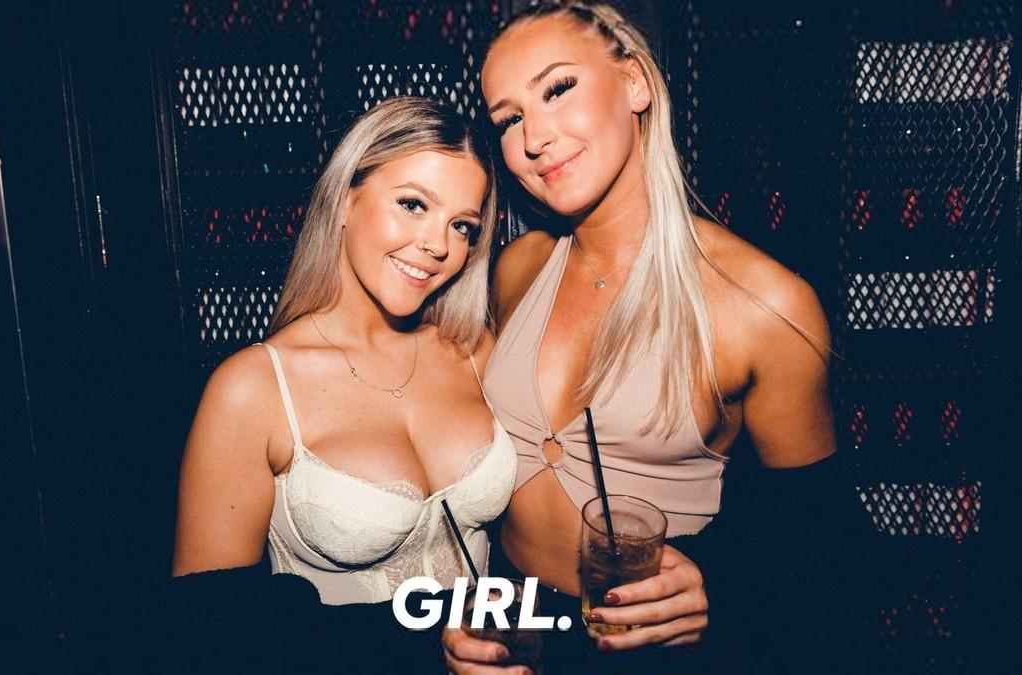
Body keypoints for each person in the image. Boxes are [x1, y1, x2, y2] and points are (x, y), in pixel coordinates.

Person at [444, 2, 866, 673]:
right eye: (509, 119)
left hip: (651, 653)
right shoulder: (517, 269)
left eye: (558, 89)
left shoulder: (765, 306)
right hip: (520, 636)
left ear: (635, 82)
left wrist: (719, 593)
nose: (535, 137)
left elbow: (823, 554)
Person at [172, 96, 516, 672]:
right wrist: (423, 646)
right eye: (413, 204)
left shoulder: (475, 352)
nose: (438, 245)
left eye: (462, 226)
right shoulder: (254, 388)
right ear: (344, 201)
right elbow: (210, 627)